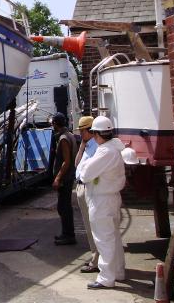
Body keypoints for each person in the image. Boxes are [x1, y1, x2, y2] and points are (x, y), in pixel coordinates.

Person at [80, 116, 126, 290]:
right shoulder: (114, 147)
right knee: (113, 237)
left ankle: (106, 277)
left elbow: (85, 174)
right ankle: (118, 272)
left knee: (103, 239)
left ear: (97, 134)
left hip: (101, 200)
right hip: (110, 198)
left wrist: (85, 166)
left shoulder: (105, 151)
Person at [74, 116, 99, 273]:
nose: (80, 134)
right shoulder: (88, 145)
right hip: (81, 186)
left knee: (93, 226)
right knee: (89, 224)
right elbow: (77, 164)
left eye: (82, 131)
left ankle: (96, 260)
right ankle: (95, 257)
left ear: (89, 131)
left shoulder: (96, 147)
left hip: (90, 187)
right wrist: (82, 147)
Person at [51, 112, 78, 245]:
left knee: (64, 207)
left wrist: (57, 178)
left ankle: (68, 235)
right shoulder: (70, 135)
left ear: (55, 123)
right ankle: (66, 233)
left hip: (65, 179)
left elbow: (66, 161)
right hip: (68, 177)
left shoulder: (63, 138)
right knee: (64, 206)